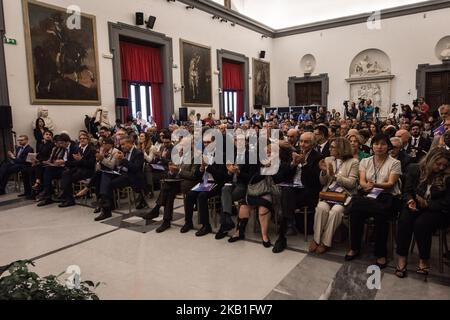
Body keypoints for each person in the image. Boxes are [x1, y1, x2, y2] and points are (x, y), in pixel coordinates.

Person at [345, 134, 402, 268]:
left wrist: (375, 185)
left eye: (383, 144)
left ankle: (381, 254)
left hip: (387, 196)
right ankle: (354, 247)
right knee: (356, 213)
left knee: (380, 215)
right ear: (372, 146)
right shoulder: (366, 161)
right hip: (369, 195)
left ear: (388, 146)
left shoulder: (395, 162)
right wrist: (367, 186)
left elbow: (390, 183)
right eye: (376, 144)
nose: (379, 147)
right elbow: (362, 181)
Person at [395, 148, 450, 278]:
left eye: (445, 165)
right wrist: (409, 201)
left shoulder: (447, 176)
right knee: (405, 219)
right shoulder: (415, 169)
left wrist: (427, 204)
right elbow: (407, 191)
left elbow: (447, 202)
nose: (441, 167)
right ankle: (402, 257)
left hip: (438, 210)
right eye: (438, 164)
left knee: (421, 223)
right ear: (430, 160)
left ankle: (424, 258)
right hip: (417, 205)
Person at [273, 132, 322, 254]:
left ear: (313, 143)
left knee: (286, 195)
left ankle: (283, 232)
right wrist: (293, 164)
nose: (303, 144)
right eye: (301, 141)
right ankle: (283, 233)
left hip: (307, 191)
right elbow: (281, 176)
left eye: (306, 142)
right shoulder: (292, 154)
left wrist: (304, 164)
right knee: (286, 191)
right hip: (292, 189)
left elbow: (316, 181)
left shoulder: (318, 157)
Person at [311, 138, 359, 254]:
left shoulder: (353, 162)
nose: (330, 149)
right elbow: (323, 182)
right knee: (321, 208)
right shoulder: (328, 159)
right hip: (328, 193)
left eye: (333, 147)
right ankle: (316, 239)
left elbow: (351, 184)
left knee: (336, 211)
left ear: (341, 149)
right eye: (330, 146)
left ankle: (325, 242)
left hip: (344, 195)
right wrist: (323, 172)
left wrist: (335, 175)